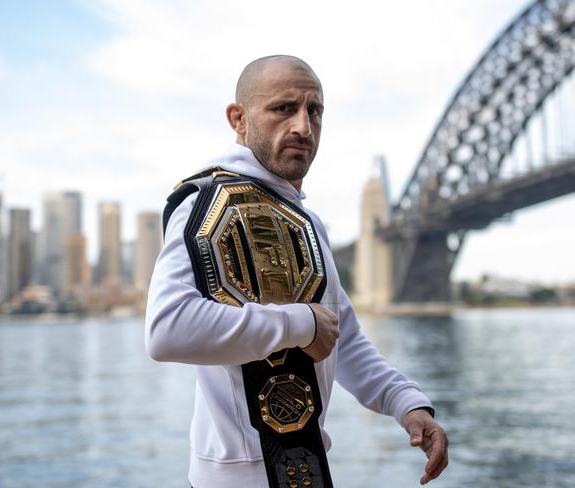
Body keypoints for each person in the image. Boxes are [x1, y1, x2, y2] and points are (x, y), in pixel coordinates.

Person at [145, 55, 449, 488]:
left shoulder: (307, 221)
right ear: (239, 118)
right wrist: (300, 324)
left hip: (308, 473)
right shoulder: (204, 203)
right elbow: (167, 329)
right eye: (284, 108)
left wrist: (407, 403)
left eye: (315, 111)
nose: (303, 127)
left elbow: (342, 337)